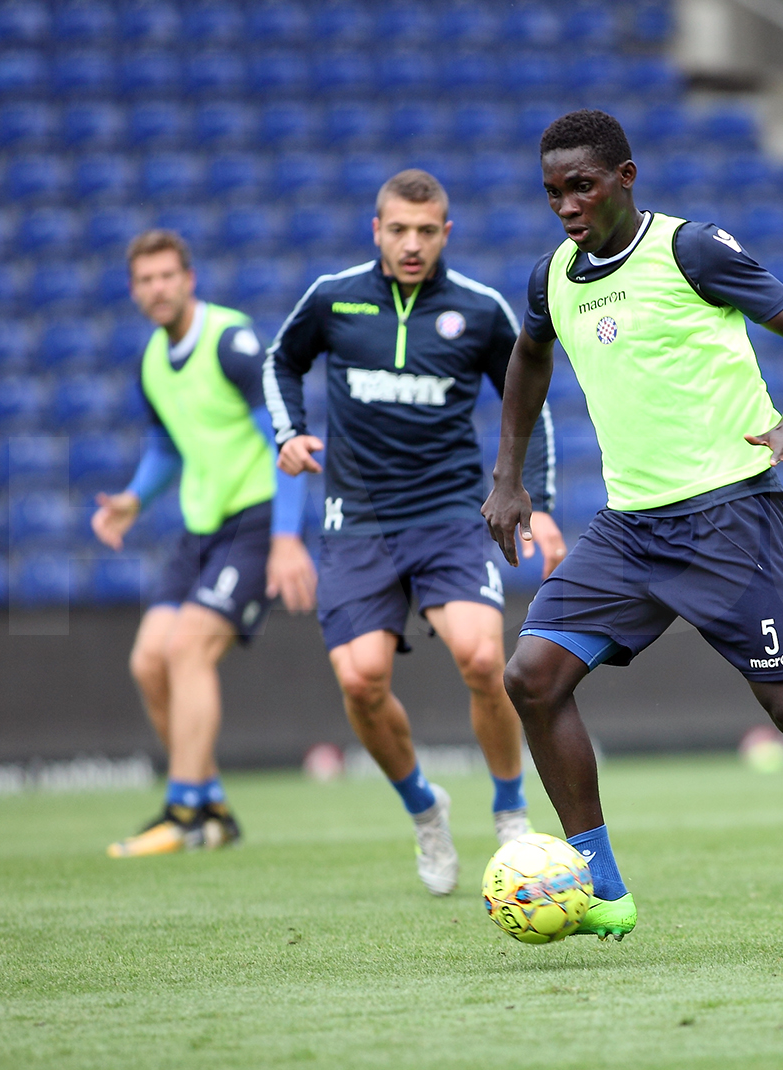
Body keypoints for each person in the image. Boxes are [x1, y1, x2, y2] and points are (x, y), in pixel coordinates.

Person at [482, 111, 783, 955]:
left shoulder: (691, 250)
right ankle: (600, 885)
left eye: (583, 186)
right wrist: (509, 478)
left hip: (728, 517)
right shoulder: (552, 279)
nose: (567, 205)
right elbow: (529, 357)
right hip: (629, 528)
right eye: (553, 192)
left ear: (625, 177)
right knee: (531, 678)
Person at [263, 169, 564, 896]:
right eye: (398, 229)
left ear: (445, 235)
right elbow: (282, 360)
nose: (411, 243)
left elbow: (529, 396)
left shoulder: (479, 310)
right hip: (357, 522)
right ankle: (426, 810)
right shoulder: (334, 298)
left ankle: (510, 809)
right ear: (377, 230)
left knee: (483, 659)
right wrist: (290, 434)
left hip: (450, 516)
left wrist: (539, 499)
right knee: (361, 680)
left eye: (426, 231)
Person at [92, 229, 311, 858]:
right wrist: (135, 498)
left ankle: (183, 811)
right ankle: (212, 806)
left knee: (187, 647)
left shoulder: (232, 342)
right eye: (145, 280)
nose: (158, 288)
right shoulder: (152, 362)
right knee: (148, 661)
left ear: (189, 279)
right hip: (200, 527)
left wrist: (287, 539)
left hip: (254, 519)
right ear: (134, 292)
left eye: (167, 275)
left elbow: (284, 437)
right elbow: (167, 443)